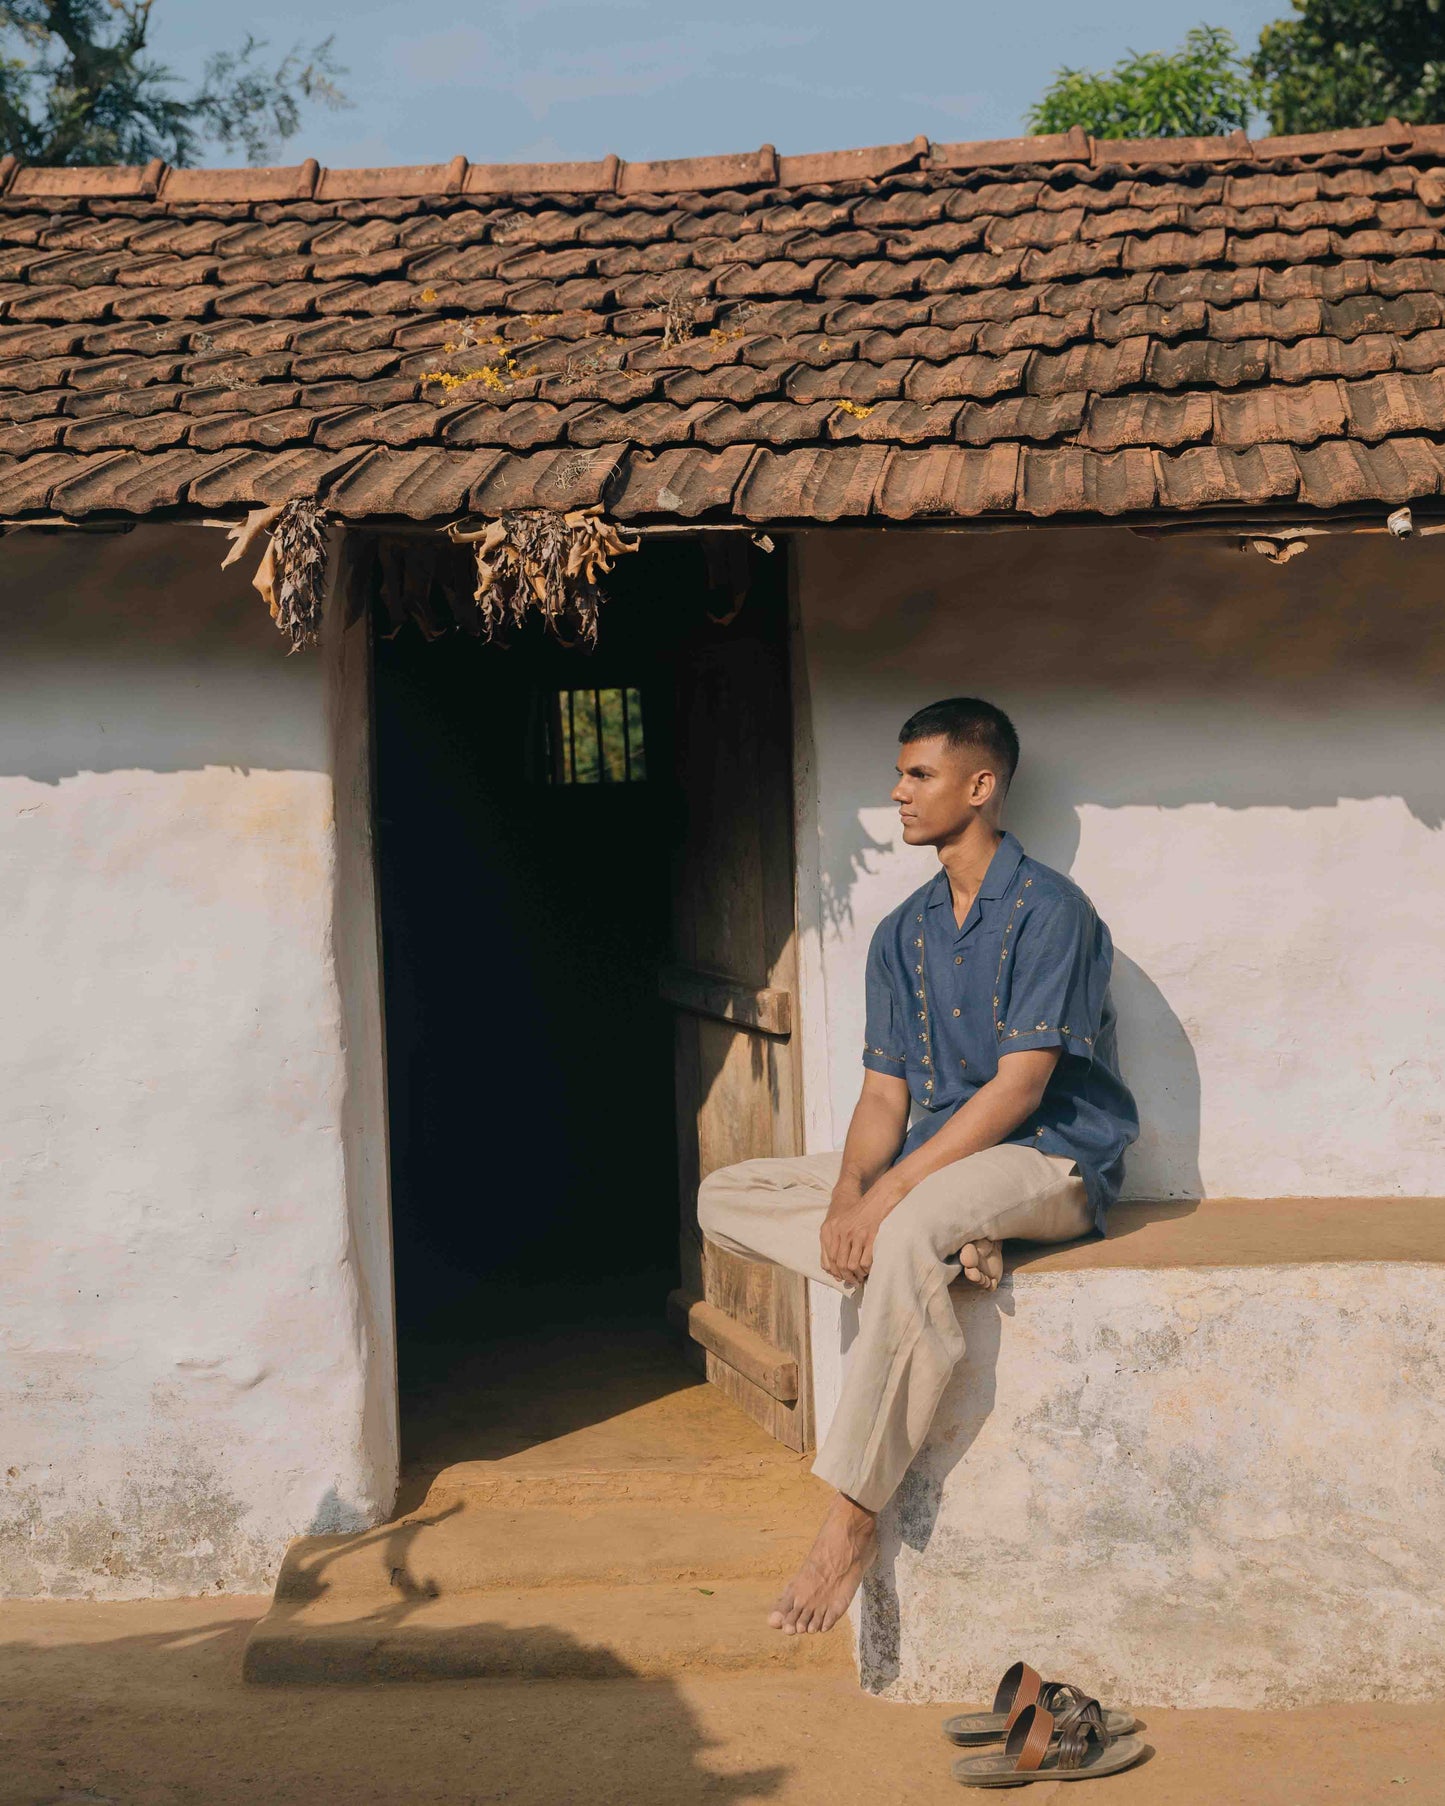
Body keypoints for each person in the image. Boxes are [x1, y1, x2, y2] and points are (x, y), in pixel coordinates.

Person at [697, 697, 1139, 1635]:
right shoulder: (902, 930)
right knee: (729, 1192)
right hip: (938, 1162)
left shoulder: (1051, 910)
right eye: (898, 774)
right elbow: (881, 1099)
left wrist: (889, 1198)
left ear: (979, 786)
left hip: (1047, 1157)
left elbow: (1019, 1089)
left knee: (903, 1230)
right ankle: (951, 1242)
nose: (897, 793)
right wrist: (847, 1197)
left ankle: (852, 1517)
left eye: (917, 775)